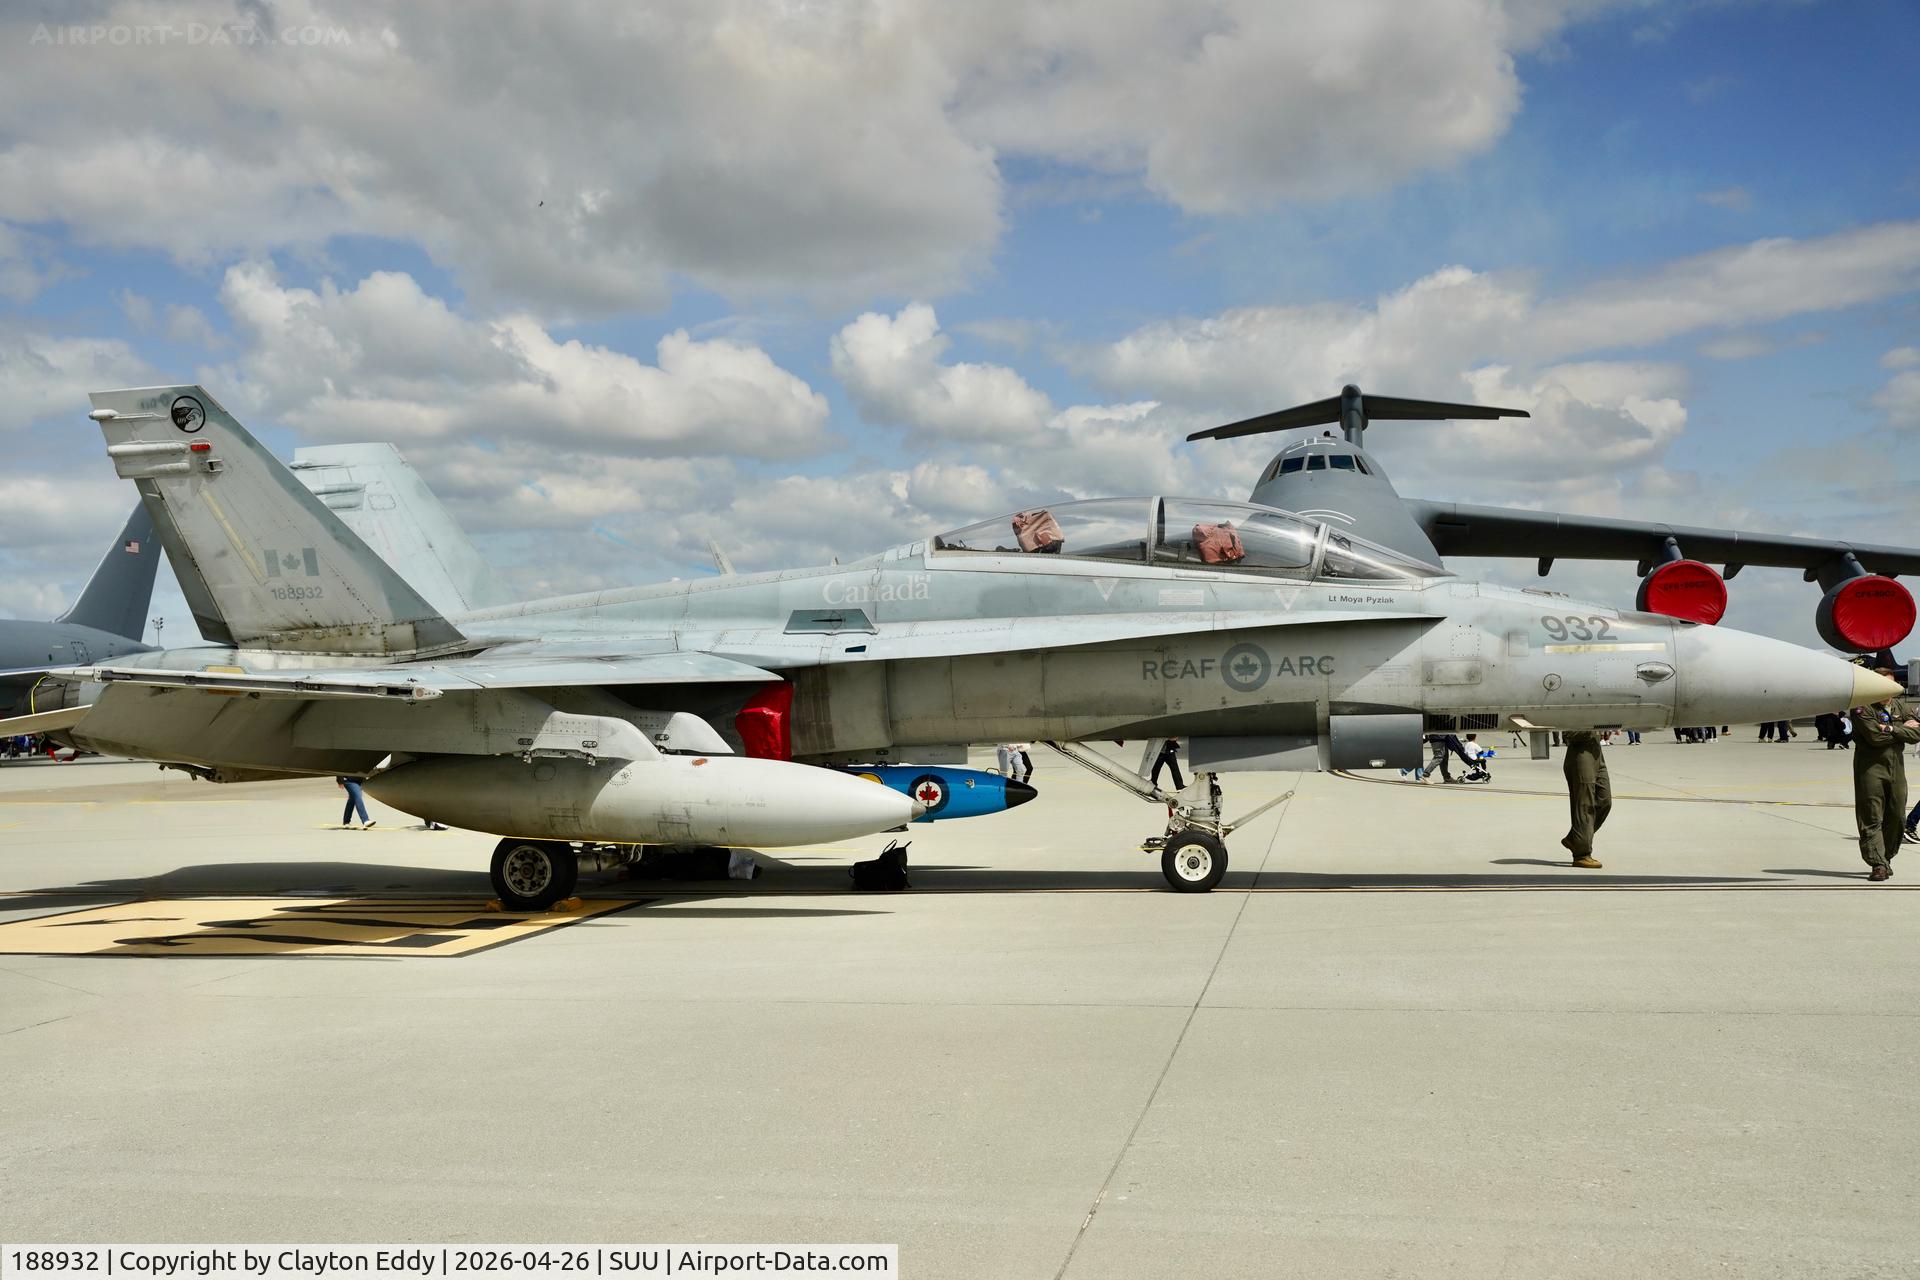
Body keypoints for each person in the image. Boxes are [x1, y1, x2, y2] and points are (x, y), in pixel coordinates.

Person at [1849, 676, 1920, 881]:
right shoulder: (1862, 708)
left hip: (1896, 769)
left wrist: (1890, 728)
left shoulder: (1901, 706)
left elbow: (1918, 734)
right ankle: (1878, 863)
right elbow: (1874, 737)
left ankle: (1887, 857)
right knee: (1871, 816)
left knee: (1897, 816)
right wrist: (1904, 731)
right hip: (1871, 769)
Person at [1560, 730, 1611, 869]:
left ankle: (1575, 838)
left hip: (1596, 752)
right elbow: (1568, 733)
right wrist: (1592, 727)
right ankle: (1581, 854)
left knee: (1604, 800)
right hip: (1580, 752)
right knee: (1585, 806)